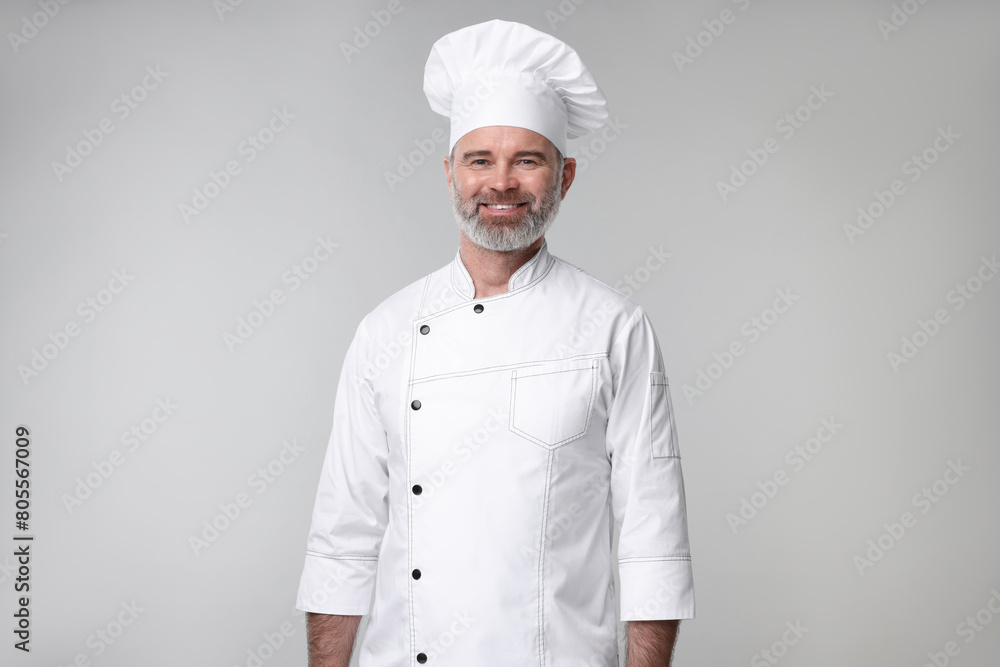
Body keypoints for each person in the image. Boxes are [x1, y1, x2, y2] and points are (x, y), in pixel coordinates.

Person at [296, 19, 694, 667]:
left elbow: (653, 538)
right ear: (450, 174)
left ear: (564, 177)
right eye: (480, 160)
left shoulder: (614, 326)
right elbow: (345, 538)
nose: (501, 183)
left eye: (527, 160)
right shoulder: (386, 331)